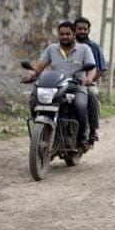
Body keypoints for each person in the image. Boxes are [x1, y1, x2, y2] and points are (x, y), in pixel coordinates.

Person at [22, 21, 96, 150]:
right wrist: (31, 74)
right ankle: (41, 132)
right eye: (62, 34)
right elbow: (39, 66)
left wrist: (88, 78)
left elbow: (92, 68)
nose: (64, 36)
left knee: (80, 105)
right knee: (35, 101)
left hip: (76, 87)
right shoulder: (52, 49)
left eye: (68, 34)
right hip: (55, 87)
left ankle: (82, 138)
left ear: (74, 34)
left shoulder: (84, 49)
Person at [75, 16, 108, 146]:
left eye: (85, 29)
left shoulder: (94, 47)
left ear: (88, 30)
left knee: (93, 95)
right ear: (75, 30)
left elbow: (101, 69)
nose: (82, 31)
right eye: (79, 29)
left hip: (87, 82)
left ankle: (93, 130)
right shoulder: (67, 46)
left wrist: (89, 79)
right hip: (68, 82)